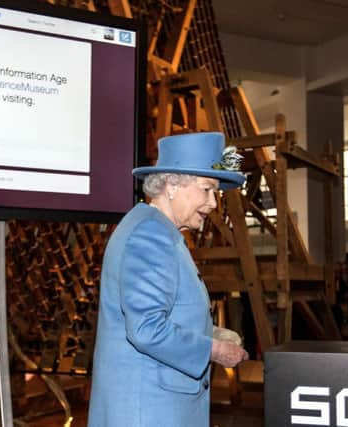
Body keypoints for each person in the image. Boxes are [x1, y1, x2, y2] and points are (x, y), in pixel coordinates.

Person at [87, 132, 249, 427]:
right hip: (148, 411)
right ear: (172, 185)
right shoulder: (150, 235)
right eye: (207, 189)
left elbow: (163, 314)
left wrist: (208, 332)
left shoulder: (156, 230)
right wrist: (213, 350)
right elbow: (147, 328)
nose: (213, 203)